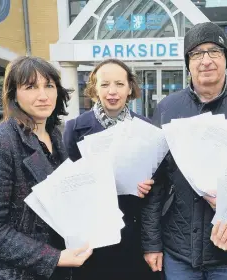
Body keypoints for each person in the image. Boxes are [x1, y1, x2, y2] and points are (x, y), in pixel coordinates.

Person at [141, 22, 227, 280]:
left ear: (225, 58)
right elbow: (154, 182)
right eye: (196, 53)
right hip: (178, 250)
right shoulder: (167, 109)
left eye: (214, 51)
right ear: (188, 63)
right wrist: (151, 243)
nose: (206, 60)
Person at [0, 56, 93, 280]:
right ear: (13, 94)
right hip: (20, 272)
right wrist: (53, 258)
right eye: (31, 87)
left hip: (61, 265)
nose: (43, 95)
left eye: (49, 86)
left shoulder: (55, 134)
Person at [63, 58, 160, 280]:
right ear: (94, 89)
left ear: (130, 88)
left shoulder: (146, 129)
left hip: (133, 233)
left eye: (119, 84)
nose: (112, 91)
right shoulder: (75, 129)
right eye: (104, 84)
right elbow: (67, 185)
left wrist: (148, 185)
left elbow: (157, 187)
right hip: (93, 236)